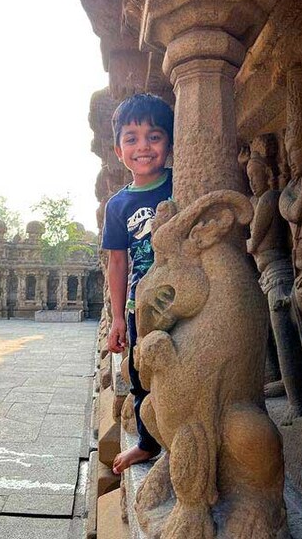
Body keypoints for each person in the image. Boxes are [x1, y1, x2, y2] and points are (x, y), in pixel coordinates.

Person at [102, 93, 174, 474]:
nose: (143, 147)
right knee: (139, 373)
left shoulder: (180, 186)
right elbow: (117, 261)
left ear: (170, 144)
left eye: (154, 136)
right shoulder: (117, 205)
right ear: (118, 150)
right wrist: (118, 317)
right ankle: (147, 442)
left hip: (181, 297)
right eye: (132, 138)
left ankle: (179, 436)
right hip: (138, 305)